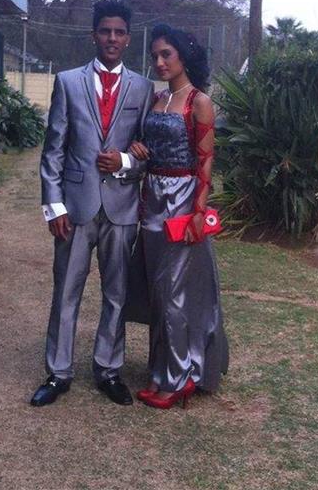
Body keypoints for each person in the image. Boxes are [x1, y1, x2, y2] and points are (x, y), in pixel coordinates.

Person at [30, 0, 154, 407]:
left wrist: (126, 161)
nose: (112, 38)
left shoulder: (143, 88)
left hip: (122, 208)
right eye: (105, 31)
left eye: (119, 32)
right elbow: (54, 149)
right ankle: (58, 372)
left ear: (128, 38)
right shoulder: (68, 82)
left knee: (116, 293)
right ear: (94, 35)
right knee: (66, 290)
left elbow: (147, 153)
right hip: (76, 207)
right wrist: (54, 206)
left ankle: (108, 370)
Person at [127, 23, 229, 409]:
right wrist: (138, 148)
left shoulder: (199, 101)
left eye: (166, 54)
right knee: (158, 291)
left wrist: (199, 212)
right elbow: (147, 146)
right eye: (155, 55)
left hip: (182, 202)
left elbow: (206, 162)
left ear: (183, 56)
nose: (159, 61)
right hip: (152, 198)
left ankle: (180, 377)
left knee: (173, 292)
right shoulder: (156, 99)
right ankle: (160, 372)